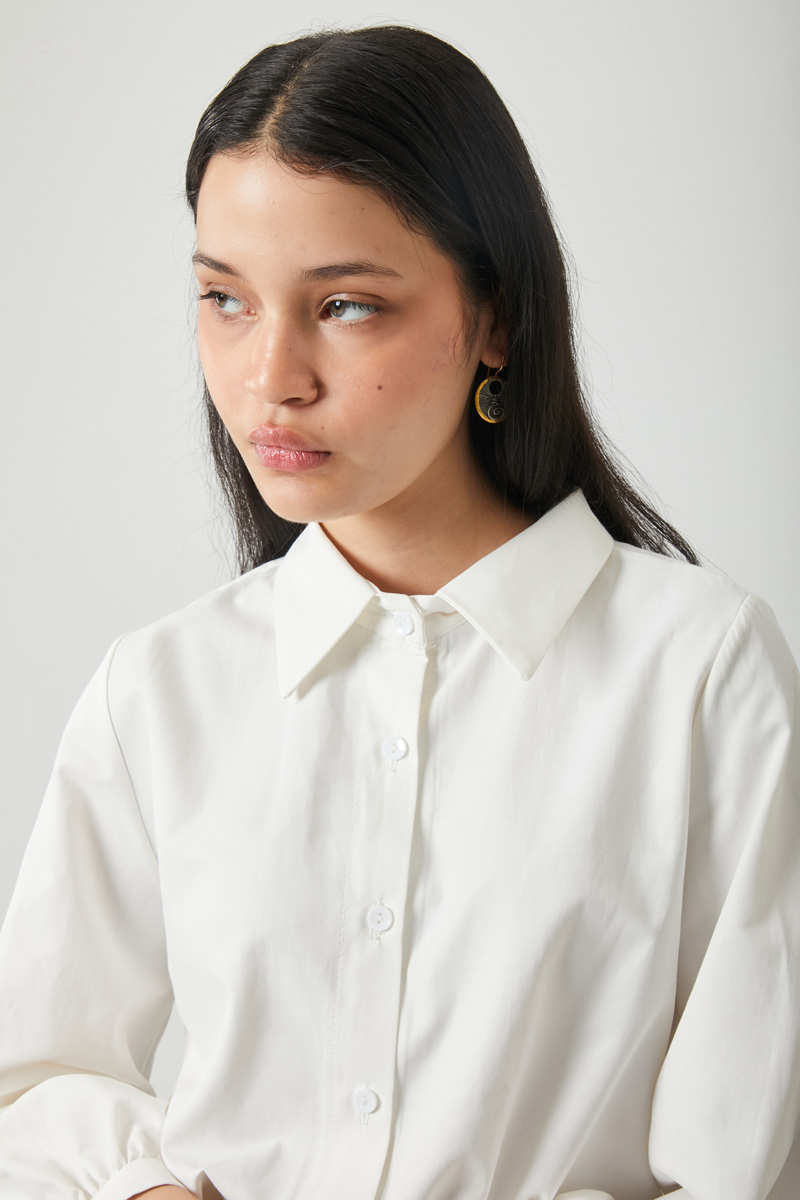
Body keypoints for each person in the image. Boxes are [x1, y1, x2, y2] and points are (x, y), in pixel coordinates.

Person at [0, 23, 797, 1200]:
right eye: (223, 298)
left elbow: (742, 1163)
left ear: (495, 319)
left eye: (345, 306)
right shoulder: (160, 689)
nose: (270, 377)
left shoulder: (699, 672)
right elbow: (33, 1080)